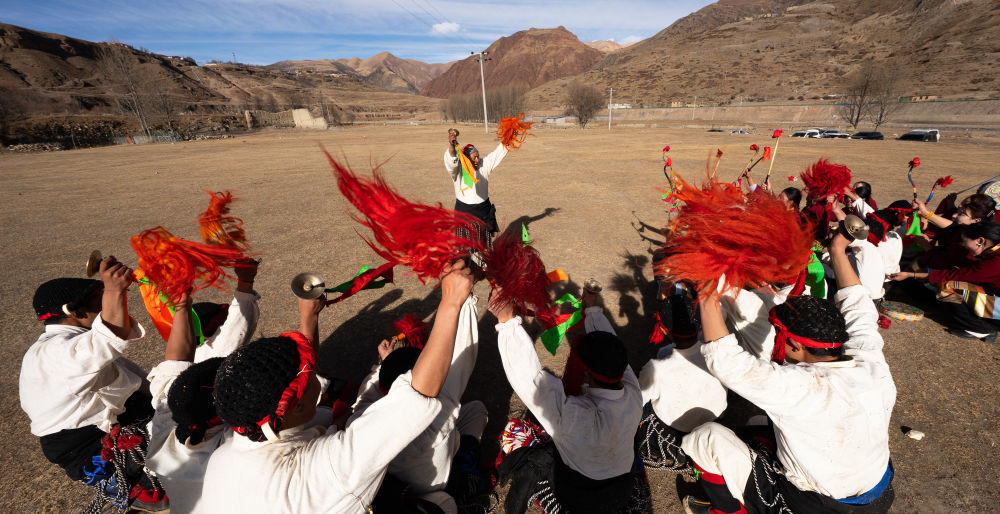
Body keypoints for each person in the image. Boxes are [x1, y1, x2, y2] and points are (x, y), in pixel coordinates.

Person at [200, 261, 474, 513]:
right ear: (296, 404)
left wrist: (309, 317)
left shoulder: (226, 452)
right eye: (307, 376)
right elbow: (415, 397)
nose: (314, 374)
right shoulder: (327, 470)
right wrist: (450, 303)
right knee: (442, 504)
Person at [680, 231, 897, 514]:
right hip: (877, 493)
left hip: (820, 506)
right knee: (762, 419)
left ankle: (727, 510)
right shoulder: (869, 361)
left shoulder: (799, 387)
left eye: (779, 335)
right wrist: (838, 249)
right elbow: (858, 306)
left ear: (794, 344)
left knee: (705, 437)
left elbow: (726, 362)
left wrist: (707, 292)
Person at [20, 257, 167, 512]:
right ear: (75, 312)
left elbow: (138, 381)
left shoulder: (73, 345)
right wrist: (113, 290)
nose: (105, 308)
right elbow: (109, 337)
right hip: (84, 442)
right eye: (98, 303)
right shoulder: (53, 352)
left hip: (112, 420)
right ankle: (142, 485)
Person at [492, 287, 645, 513]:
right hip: (621, 491)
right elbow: (610, 343)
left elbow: (531, 380)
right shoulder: (634, 394)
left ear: (586, 373)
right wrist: (592, 308)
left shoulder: (572, 414)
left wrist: (506, 321)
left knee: (537, 457)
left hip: (578, 496)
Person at [347, 289, 487, 513]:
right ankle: (466, 460)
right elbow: (462, 363)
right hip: (432, 492)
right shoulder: (437, 415)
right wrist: (465, 301)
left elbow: (367, 393)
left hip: (388, 481)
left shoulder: (361, 418)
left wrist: (384, 363)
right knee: (476, 411)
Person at [143, 261, 261, 513]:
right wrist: (244, 283)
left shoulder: (163, 422)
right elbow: (239, 326)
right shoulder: (239, 444)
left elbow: (174, 364)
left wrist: (182, 305)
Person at [637, 292, 727, 472]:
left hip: (676, 430)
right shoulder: (718, 352)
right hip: (717, 419)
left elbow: (638, 399)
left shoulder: (657, 368)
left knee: (642, 408)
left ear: (663, 330)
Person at [890, 222, 1000, 342]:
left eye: (965, 241)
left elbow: (951, 275)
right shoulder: (992, 253)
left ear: (980, 241)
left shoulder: (995, 262)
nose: (963, 245)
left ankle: (980, 328)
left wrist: (910, 275)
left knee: (947, 286)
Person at [444, 128, 508, 245]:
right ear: (467, 158)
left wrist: (509, 137)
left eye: (478, 156)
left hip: (484, 212)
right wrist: (452, 145)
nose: (478, 160)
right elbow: (451, 159)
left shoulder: (483, 165)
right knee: (466, 253)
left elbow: (498, 153)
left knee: (484, 250)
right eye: (474, 157)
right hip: (465, 213)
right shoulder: (458, 171)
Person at [915, 193, 996, 270]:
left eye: (963, 213)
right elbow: (942, 231)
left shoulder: (970, 238)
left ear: (976, 220)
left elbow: (946, 263)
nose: (955, 213)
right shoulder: (964, 225)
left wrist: (926, 246)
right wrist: (924, 222)